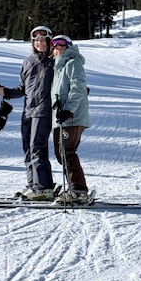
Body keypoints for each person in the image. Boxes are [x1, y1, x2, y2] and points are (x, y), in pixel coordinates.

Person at [0, 26, 55, 201]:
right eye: (36, 41)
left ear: (49, 41)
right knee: (27, 148)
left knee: (37, 147)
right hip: (28, 111)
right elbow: (22, 89)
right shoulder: (28, 62)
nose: (39, 43)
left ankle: (44, 187)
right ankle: (33, 185)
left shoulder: (54, 62)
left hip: (44, 110)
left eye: (43, 40)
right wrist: (4, 92)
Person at [50, 35, 90, 204]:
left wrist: (68, 109)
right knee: (62, 154)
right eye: (54, 45)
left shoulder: (73, 63)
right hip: (61, 117)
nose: (57, 47)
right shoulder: (58, 67)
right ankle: (75, 188)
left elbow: (78, 87)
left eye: (61, 44)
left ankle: (78, 190)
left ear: (69, 46)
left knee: (67, 152)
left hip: (72, 116)